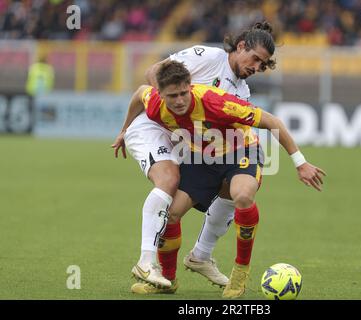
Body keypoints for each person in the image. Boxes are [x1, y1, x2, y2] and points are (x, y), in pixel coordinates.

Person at [116, 60, 326, 298]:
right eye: (172, 96)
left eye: (184, 93)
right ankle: (167, 279)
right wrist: (125, 130)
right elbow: (138, 94)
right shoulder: (155, 104)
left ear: (190, 86)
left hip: (241, 151)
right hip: (203, 157)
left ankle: (240, 273)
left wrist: (300, 162)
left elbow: (272, 122)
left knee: (243, 195)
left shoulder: (216, 102)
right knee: (171, 214)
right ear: (161, 94)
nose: (180, 100)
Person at [112, 22, 278, 290]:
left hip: (189, 141)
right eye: (255, 59)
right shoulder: (207, 57)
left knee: (232, 186)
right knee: (169, 183)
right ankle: (150, 264)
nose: (257, 67)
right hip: (155, 125)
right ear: (240, 46)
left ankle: (201, 255)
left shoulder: (242, 92)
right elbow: (153, 72)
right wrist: (163, 103)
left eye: (263, 64)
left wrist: (244, 159)